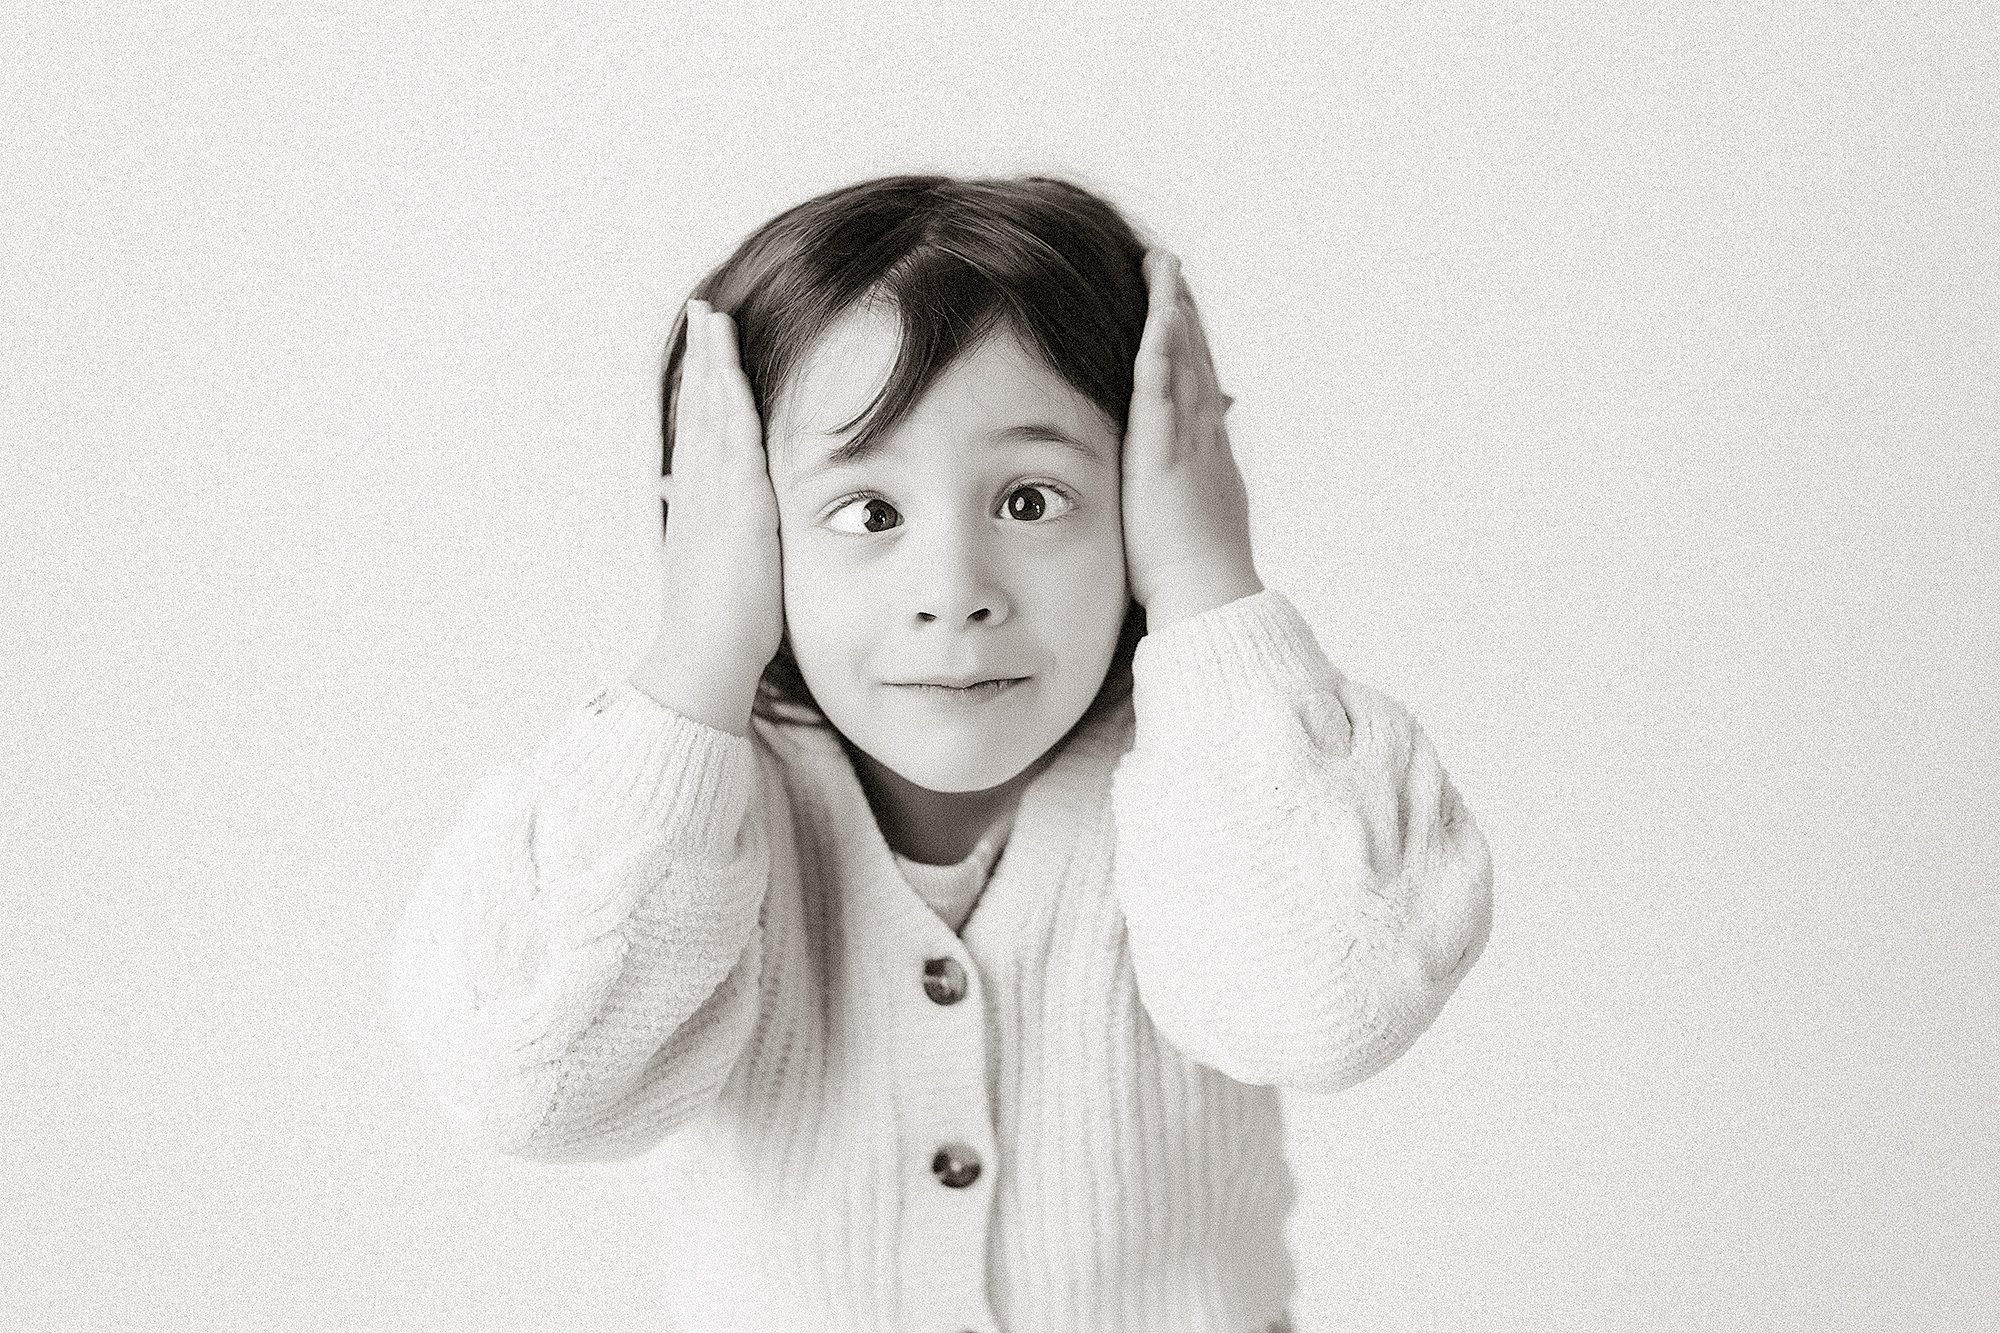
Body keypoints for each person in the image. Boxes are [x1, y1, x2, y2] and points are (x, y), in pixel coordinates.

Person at [389, 172, 1494, 1333]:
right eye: (867, 512)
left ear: (1148, 497)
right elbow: (525, 1084)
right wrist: (696, 650)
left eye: (1030, 500)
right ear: (736, 529)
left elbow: (1332, 1010)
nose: (953, 590)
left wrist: (1204, 578)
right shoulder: (688, 816)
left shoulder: (1220, 779)